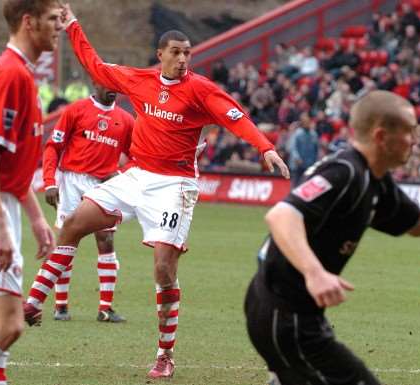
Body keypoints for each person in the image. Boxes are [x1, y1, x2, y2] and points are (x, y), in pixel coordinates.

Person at [23, 3, 289, 380]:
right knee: (73, 223)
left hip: (175, 185)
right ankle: (33, 303)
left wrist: (264, 147)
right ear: (160, 55)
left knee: (164, 268)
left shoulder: (199, 90)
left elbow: (236, 118)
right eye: (176, 53)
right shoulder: (140, 80)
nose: (183, 59)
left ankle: (165, 353)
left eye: (188, 53)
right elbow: (96, 67)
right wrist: (73, 26)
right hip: (135, 176)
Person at [245, 90, 420, 385]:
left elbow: (417, 222)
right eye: (409, 132)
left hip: (291, 311)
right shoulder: (345, 172)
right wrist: (315, 273)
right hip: (285, 314)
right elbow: (282, 216)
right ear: (382, 136)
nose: (414, 141)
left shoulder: (374, 180)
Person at [0, 1, 61, 383]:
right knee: (10, 325)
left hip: (4, 205)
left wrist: (35, 218)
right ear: (29, 22)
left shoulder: (22, 75)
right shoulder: (9, 74)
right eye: (52, 19)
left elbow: (12, 163)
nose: (59, 26)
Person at [43, 81, 134, 322]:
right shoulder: (75, 110)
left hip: (104, 185)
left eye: (116, 84)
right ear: (95, 83)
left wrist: (121, 174)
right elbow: (53, 146)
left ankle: (105, 308)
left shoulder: (126, 120)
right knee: (66, 240)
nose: (112, 88)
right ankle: (60, 305)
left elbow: (137, 156)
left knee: (106, 239)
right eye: (107, 84)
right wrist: (50, 181)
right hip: (72, 180)